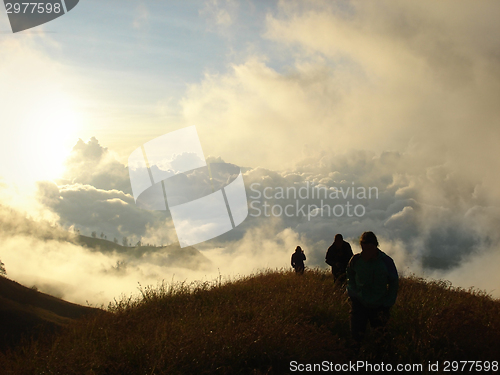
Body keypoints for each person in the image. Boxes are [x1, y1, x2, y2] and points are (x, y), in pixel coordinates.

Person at [346, 231, 398, 343]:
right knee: (356, 338)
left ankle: (379, 360)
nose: (366, 252)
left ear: (375, 246)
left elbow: (394, 283)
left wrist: (387, 303)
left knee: (381, 339)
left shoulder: (386, 262)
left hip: (380, 306)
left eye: (369, 249)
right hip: (360, 304)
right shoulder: (356, 260)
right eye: (364, 249)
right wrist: (354, 295)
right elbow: (349, 275)